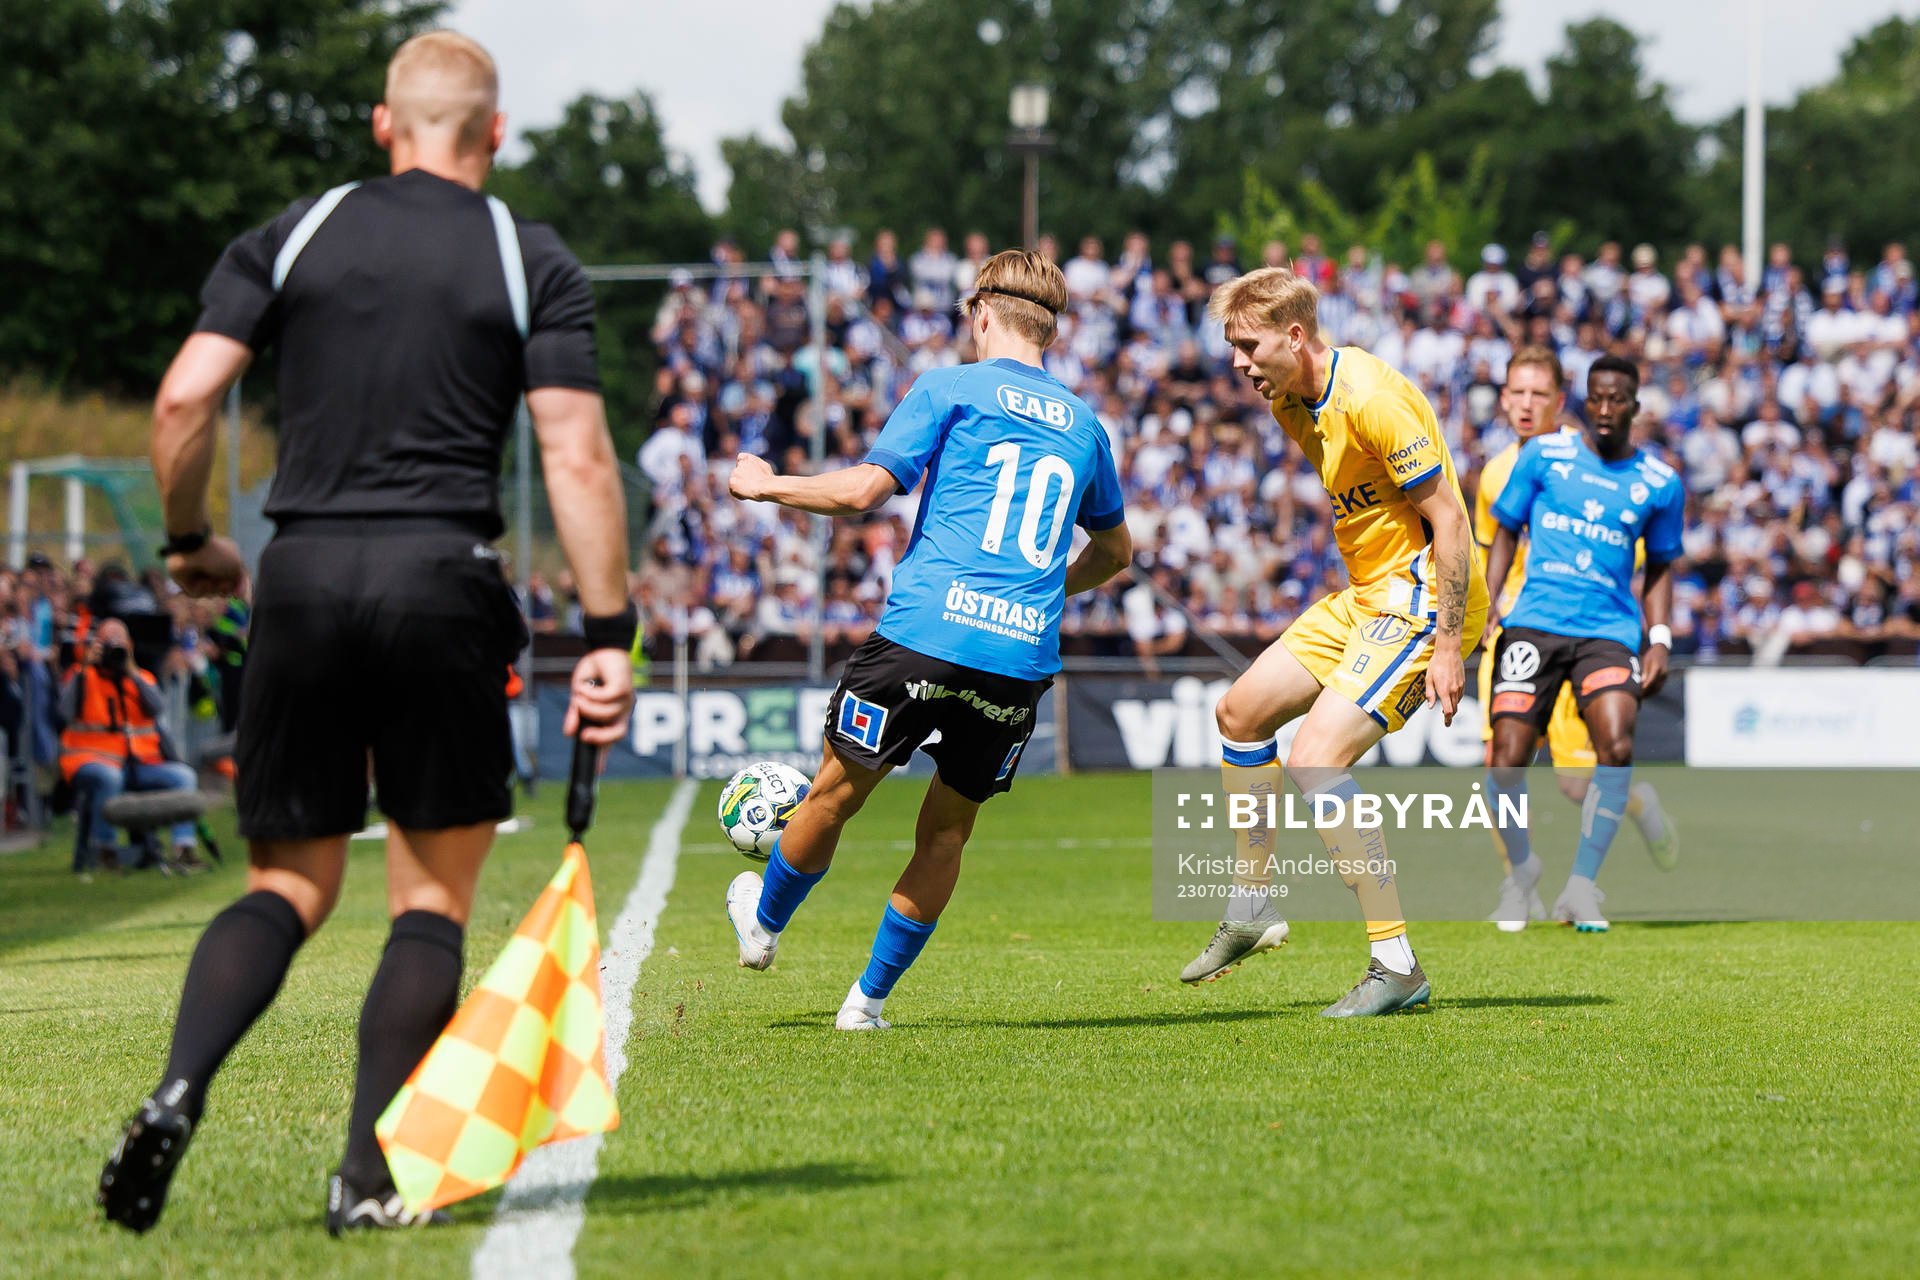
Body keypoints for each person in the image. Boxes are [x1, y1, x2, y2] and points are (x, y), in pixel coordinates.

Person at [98, 31, 635, 1236]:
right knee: (427, 903)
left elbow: (185, 396)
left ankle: (177, 1090)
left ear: (384, 126)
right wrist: (611, 628)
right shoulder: (525, 252)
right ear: (493, 134)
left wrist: (190, 543)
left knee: (287, 880)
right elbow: (576, 453)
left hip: (299, 578)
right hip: (443, 577)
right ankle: (365, 1177)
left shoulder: (294, 230)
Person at [723, 249, 1132, 1031]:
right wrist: (1048, 591)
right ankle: (866, 1003)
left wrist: (766, 484)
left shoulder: (948, 387)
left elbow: (863, 492)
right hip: (1017, 658)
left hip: (924, 631)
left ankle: (765, 925)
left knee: (833, 797)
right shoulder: (1085, 425)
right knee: (946, 834)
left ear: (981, 313)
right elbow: (1117, 554)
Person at [1180, 268, 1488, 1017]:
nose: (1237, 364)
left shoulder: (1372, 399)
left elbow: (1449, 521)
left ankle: (1397, 965)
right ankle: (1253, 906)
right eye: (1230, 348)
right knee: (1240, 714)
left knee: (1315, 759)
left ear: (1295, 335)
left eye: (1248, 346)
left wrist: (1449, 646)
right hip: (1366, 597)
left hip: (1421, 598)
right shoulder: (1289, 400)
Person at [1473, 349, 1677, 934]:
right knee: (1505, 761)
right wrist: (1486, 610)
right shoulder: (1520, 464)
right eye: (1518, 393)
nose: (1527, 404)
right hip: (1529, 624)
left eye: (1540, 394)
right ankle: (1521, 875)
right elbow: (1498, 537)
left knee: (1596, 762)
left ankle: (1583, 884)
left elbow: (1659, 562)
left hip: (1605, 630)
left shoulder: (1658, 483)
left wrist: (1658, 637)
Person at [58, 617, 202, 874]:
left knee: (184, 776)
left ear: (129, 645)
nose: (114, 648)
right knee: (109, 777)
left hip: (139, 764)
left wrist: (130, 671)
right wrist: (84, 667)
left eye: (119, 642)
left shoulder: (141, 676)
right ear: (95, 645)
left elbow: (157, 707)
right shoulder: (83, 675)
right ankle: (106, 850)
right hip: (90, 761)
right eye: (107, 642)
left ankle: (183, 848)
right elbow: (64, 711)